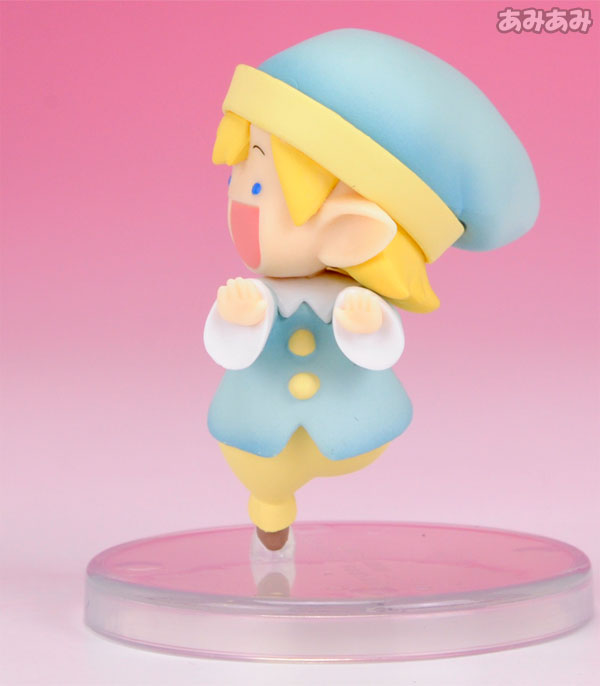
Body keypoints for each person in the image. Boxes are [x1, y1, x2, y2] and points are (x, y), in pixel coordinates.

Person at [204, 29, 539, 551]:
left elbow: (380, 350)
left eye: (260, 185)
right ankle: (270, 509)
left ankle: (272, 506)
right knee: (260, 470)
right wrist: (239, 320)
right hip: (259, 422)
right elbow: (228, 348)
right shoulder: (260, 293)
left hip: (353, 424)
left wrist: (364, 328)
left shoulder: (351, 297)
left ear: (352, 229)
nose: (241, 206)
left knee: (328, 450)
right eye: (240, 180)